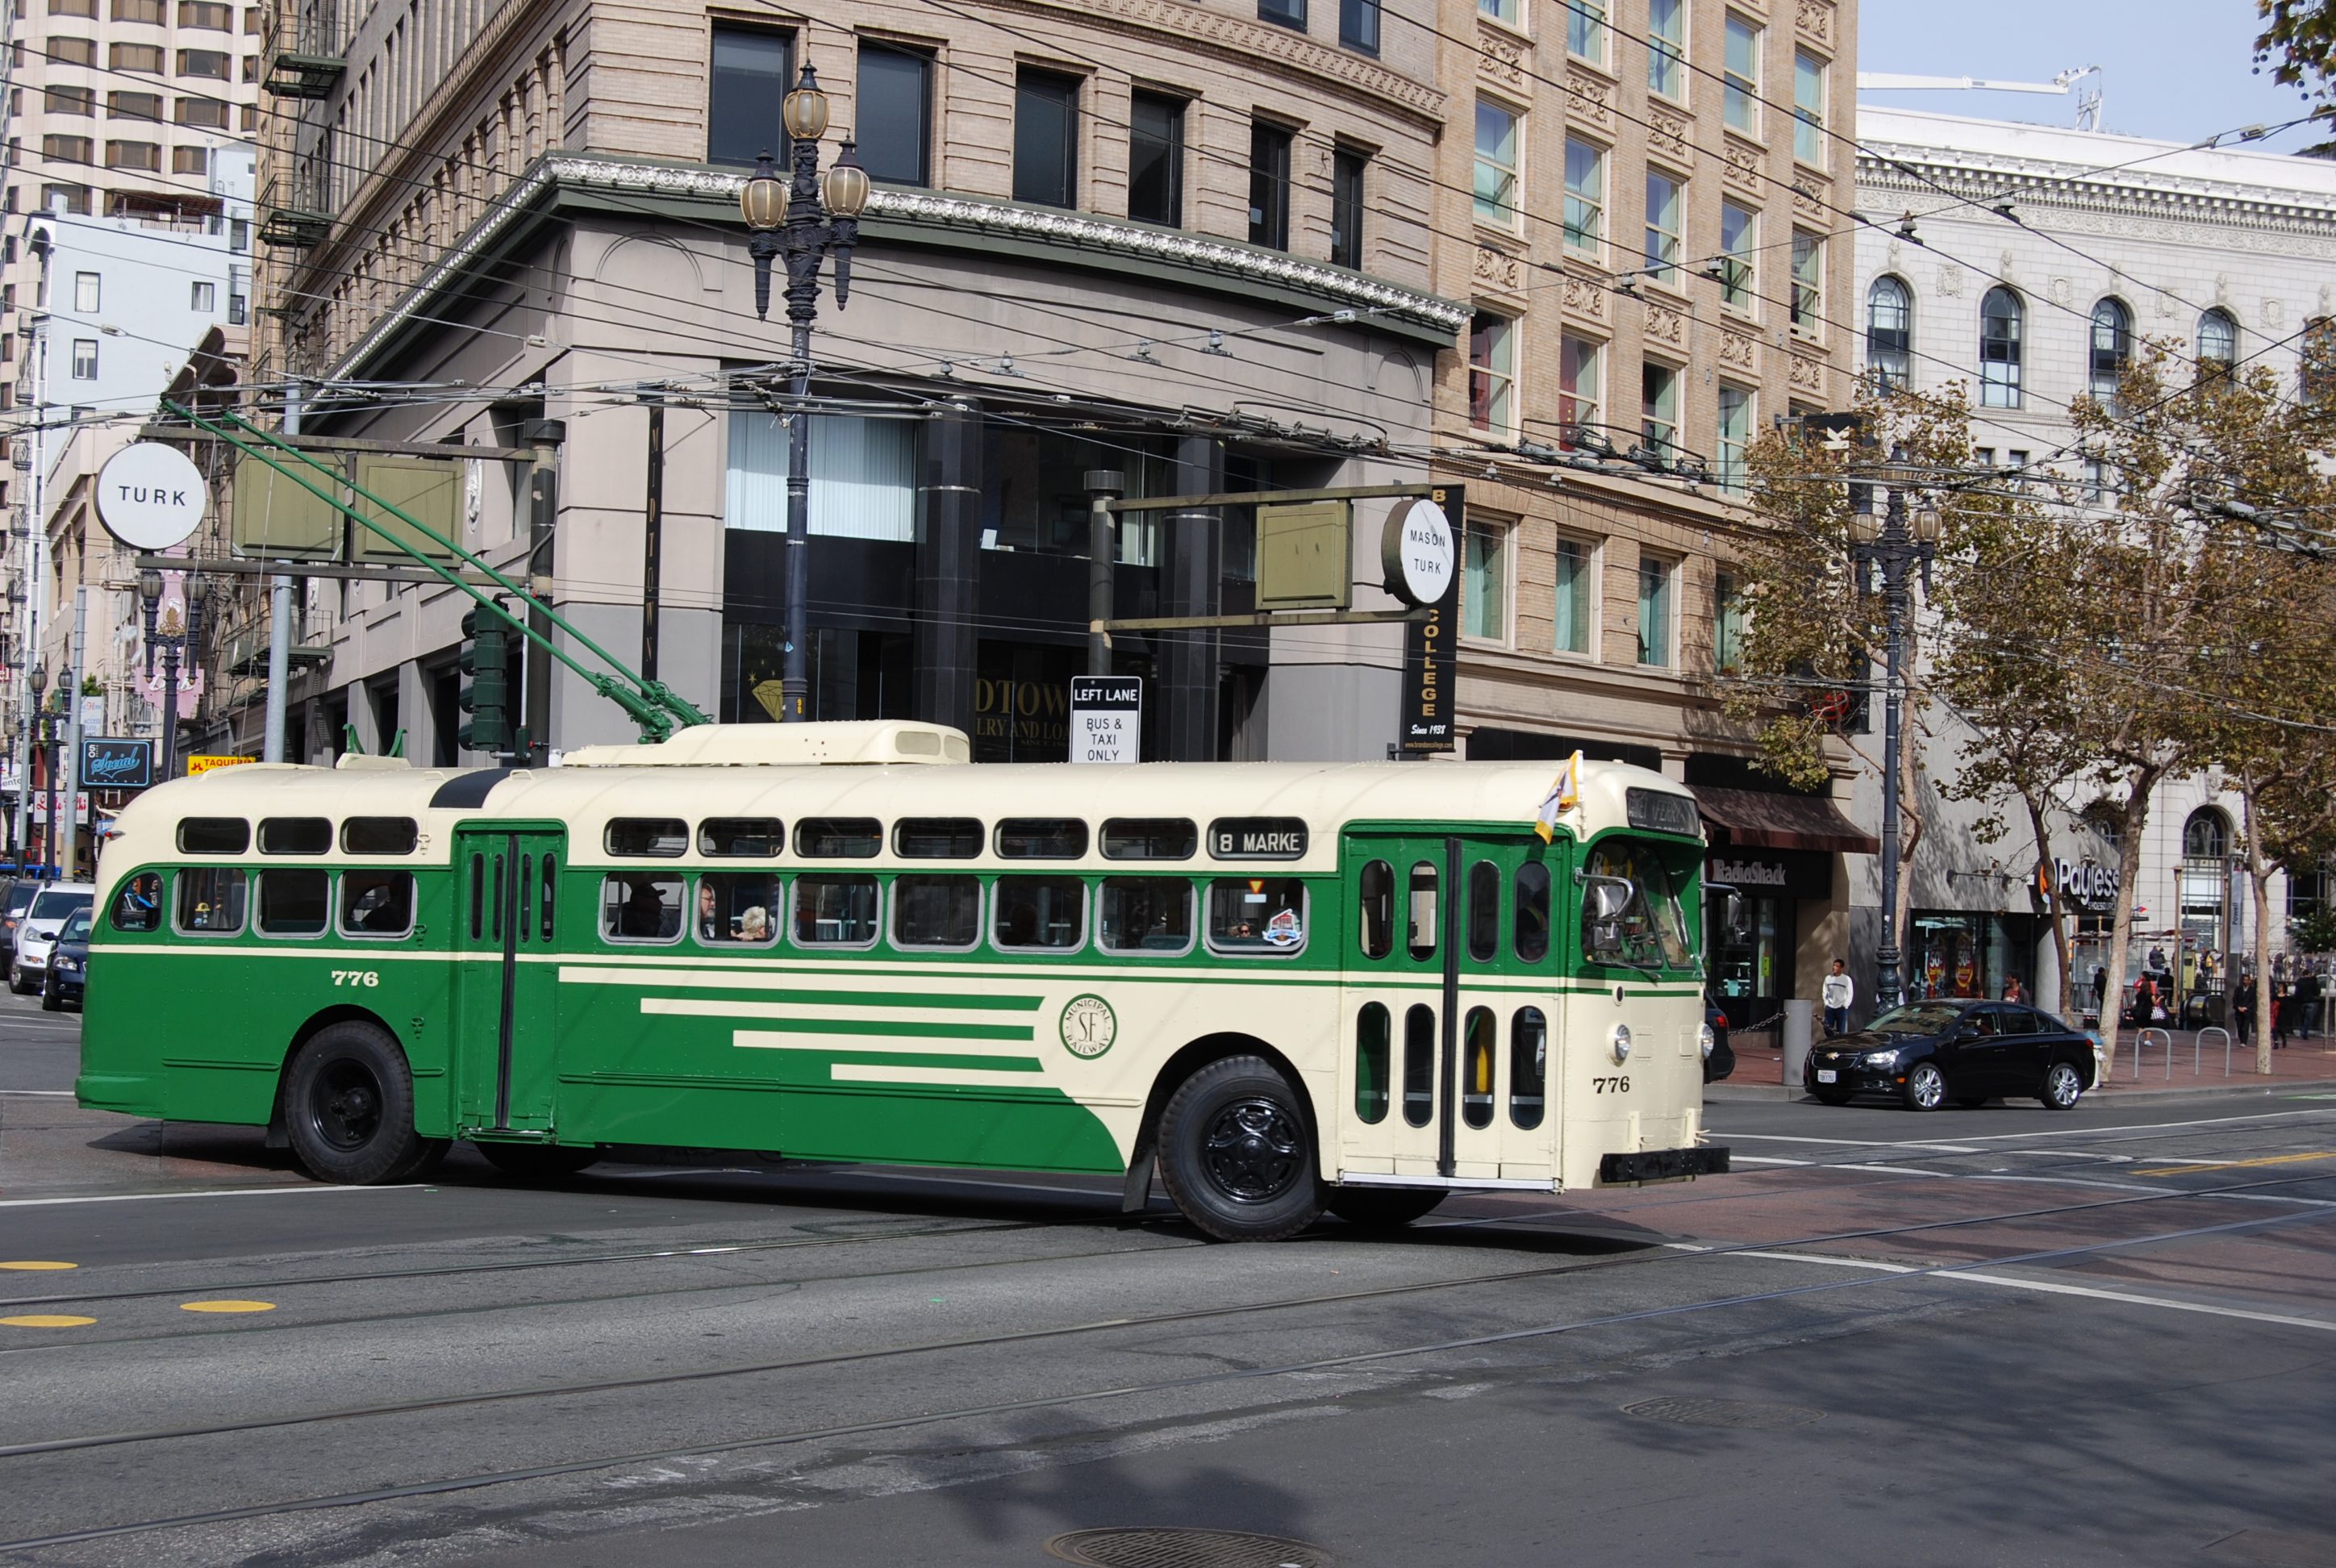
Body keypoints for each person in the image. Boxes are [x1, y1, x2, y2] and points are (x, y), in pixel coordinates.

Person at [1821, 959, 1854, 1037]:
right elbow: (1825, 991)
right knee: (1827, 1028)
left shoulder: (1847, 979)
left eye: (1837, 966)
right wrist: (1826, 1003)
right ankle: (1831, 1040)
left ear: (1841, 968)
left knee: (1840, 1030)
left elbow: (1850, 993)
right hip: (1830, 1007)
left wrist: (1845, 1005)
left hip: (1841, 1008)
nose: (1834, 967)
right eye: (1834, 965)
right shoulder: (1828, 978)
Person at [2299, 965, 2323, 1041]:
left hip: (2301, 1002)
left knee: (2302, 1018)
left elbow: (2297, 992)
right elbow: (2317, 992)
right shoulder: (2312, 982)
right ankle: (2304, 1032)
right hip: (2310, 1001)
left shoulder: (2299, 982)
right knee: (2307, 1019)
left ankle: (2303, 1031)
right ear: (2309, 974)